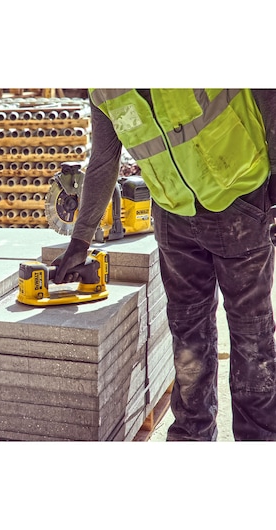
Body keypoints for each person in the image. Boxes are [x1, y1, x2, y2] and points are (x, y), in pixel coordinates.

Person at [53, 89, 276, 441]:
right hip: (173, 215)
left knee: (252, 338)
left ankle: (261, 441)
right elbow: (103, 160)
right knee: (189, 336)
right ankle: (191, 437)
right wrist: (80, 240)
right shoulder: (103, 91)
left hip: (240, 200)